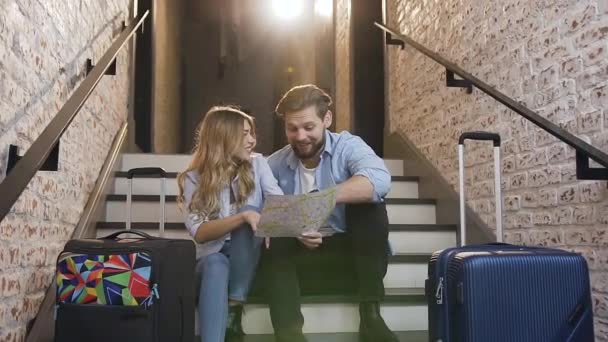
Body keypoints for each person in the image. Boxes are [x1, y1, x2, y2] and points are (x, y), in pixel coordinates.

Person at [263, 84, 397, 342]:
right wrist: (294, 227)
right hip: (298, 269)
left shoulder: (348, 146)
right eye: (292, 128)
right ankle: (289, 333)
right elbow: (259, 213)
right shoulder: (275, 163)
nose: (300, 136)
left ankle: (371, 317)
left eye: (309, 127)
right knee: (275, 231)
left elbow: (379, 180)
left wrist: (318, 201)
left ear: (327, 119)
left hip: (354, 265)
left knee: (371, 206)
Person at [177, 106, 283, 342]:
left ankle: (235, 301)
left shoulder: (258, 165)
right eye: (244, 134)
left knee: (250, 210)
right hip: (210, 261)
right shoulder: (194, 177)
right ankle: (226, 320)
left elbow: (279, 202)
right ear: (223, 136)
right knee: (215, 262)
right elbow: (200, 233)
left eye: (251, 133)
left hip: (249, 257)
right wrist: (241, 218)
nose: (252, 140)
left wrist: (256, 217)